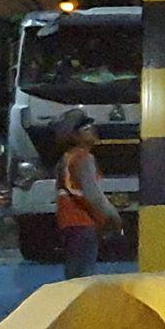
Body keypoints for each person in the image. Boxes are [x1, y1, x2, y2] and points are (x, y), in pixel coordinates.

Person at [54, 109, 120, 280]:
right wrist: (113, 216)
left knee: (73, 274)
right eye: (86, 129)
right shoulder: (84, 158)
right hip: (84, 222)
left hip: (68, 223)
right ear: (74, 136)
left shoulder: (65, 159)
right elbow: (93, 195)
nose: (92, 131)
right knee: (84, 277)